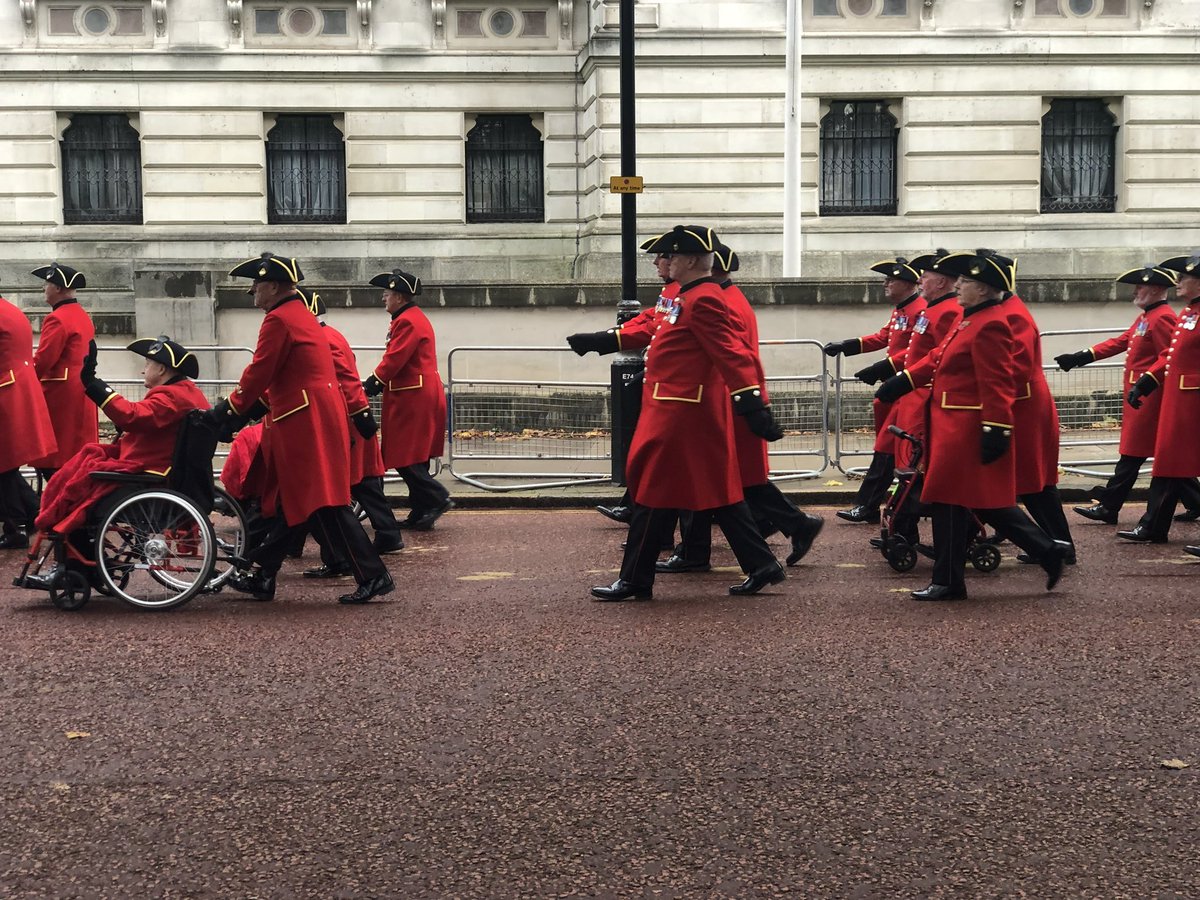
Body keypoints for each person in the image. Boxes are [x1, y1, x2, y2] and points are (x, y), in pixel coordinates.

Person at [589, 224, 788, 602]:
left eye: (672, 255)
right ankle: (762, 565)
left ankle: (635, 579)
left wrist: (752, 405)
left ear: (693, 260)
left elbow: (733, 354)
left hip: (682, 412)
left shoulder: (705, 299)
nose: (663, 262)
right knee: (719, 497)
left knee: (653, 494)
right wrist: (604, 340)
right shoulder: (687, 295)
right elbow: (662, 335)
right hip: (679, 408)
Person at [877, 250, 1068, 600]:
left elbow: (998, 383)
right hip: (951, 424)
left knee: (961, 500)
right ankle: (1035, 553)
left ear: (982, 289)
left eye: (964, 281)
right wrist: (904, 380)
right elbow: (938, 357)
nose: (958, 286)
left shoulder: (992, 324)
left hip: (966, 426)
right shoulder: (970, 318)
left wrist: (996, 428)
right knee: (958, 501)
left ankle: (956, 578)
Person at [211, 253, 393, 605]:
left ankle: (373, 575)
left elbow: (260, 371)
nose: (253, 292)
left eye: (257, 285)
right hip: (311, 416)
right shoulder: (299, 314)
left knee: (325, 503)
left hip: (304, 421)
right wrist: (241, 412)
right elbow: (284, 376)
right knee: (294, 503)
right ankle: (263, 575)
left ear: (273, 286)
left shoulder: (278, 319)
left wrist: (228, 410)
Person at [656, 240, 824, 572]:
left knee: (725, 479)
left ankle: (789, 527)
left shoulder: (717, 301)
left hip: (728, 401)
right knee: (720, 479)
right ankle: (702, 548)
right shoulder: (719, 297)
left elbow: (733, 358)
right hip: (726, 398)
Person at [22, 337, 209, 587]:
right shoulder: (188, 394)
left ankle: (75, 570)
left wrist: (94, 384)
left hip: (145, 477)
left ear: (162, 369)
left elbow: (132, 416)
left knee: (76, 493)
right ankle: (85, 565)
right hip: (157, 471)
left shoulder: (171, 397)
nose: (143, 370)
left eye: (148, 364)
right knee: (88, 458)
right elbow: (146, 422)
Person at [1056, 265, 1200, 525]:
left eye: (1140, 287)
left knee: (1133, 455)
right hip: (1140, 395)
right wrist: (1081, 357)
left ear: (1156, 289)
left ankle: (1109, 506)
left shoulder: (1163, 317)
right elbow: (1121, 342)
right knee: (1166, 459)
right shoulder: (1148, 317)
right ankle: (1195, 502)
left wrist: (1146, 382)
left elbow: (1168, 358)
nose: (1135, 291)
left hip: (1151, 398)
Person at [857, 249, 963, 548]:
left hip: (922, 393)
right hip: (910, 391)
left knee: (915, 465)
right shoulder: (930, 309)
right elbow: (897, 342)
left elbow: (936, 356)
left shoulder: (946, 310)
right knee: (903, 460)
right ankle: (900, 528)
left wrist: (893, 373)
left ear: (940, 282)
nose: (920, 282)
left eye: (925, 277)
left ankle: (904, 530)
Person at [300, 288, 403, 576]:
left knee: (346, 487)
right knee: (363, 483)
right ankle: (386, 533)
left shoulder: (322, 339)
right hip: (349, 416)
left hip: (344, 418)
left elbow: (344, 379)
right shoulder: (330, 334)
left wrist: (358, 413)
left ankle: (342, 555)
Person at [823, 258, 926, 524]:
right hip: (896, 389)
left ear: (908, 284)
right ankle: (875, 507)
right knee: (888, 449)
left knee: (890, 449)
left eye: (891, 280)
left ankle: (876, 507)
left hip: (909, 387)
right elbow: (883, 337)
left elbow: (917, 353)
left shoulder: (921, 309)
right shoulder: (901, 311)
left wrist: (883, 367)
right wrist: (848, 345)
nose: (885, 284)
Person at [1116, 252, 1200, 545]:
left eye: (1184, 277)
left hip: (1192, 403)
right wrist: (1146, 383)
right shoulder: (1189, 313)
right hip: (1180, 402)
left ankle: (1152, 525)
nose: (1178, 282)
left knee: (1173, 463)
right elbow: (1171, 357)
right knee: (1169, 464)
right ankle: (1153, 526)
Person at [361, 269, 453, 531]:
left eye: (387, 293)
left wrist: (374, 381)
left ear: (399, 297)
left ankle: (437, 498)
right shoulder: (408, 318)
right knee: (416, 455)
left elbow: (395, 358)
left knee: (404, 455)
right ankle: (422, 510)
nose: (383, 298)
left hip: (413, 395)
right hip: (415, 393)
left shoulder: (407, 321)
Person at [29, 262, 98, 484]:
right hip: (80, 391)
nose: (44, 288)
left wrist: (24, 380)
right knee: (74, 453)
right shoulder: (81, 314)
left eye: (47, 284)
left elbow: (43, 360)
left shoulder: (57, 318)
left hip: (60, 395)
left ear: (58, 288)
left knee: (54, 456)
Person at [0, 290, 58, 549]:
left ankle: (16, 526)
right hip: (17, 387)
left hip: (6, 390)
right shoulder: (10, 310)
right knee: (7, 464)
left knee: (4, 463)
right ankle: (33, 512)